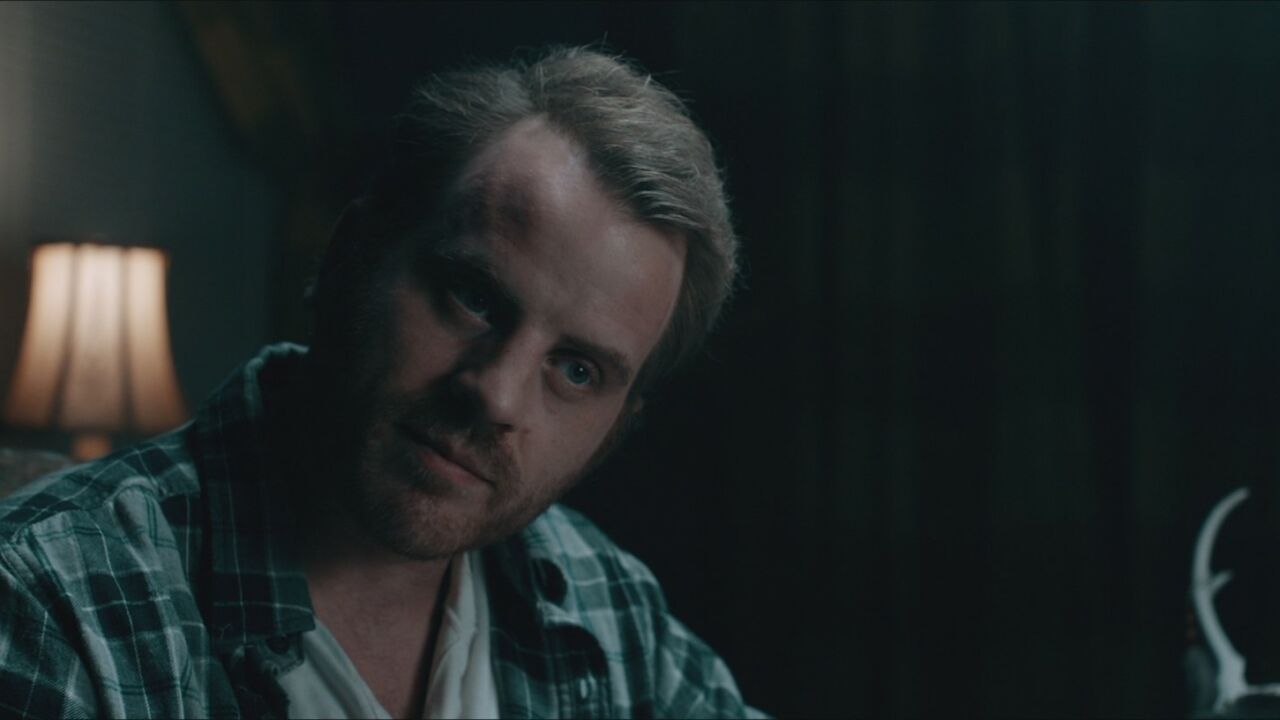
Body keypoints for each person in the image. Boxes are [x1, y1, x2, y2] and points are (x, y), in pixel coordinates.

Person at [0, 46, 763, 719]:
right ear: (350, 255)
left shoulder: (600, 599)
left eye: (576, 370)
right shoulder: (53, 603)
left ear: (615, 429)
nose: (496, 395)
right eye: (473, 297)